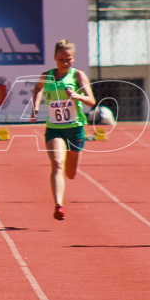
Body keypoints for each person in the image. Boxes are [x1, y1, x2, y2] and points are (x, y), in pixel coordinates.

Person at [29, 40, 96, 222]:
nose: (65, 63)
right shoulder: (47, 76)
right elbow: (37, 89)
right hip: (54, 129)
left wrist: (77, 96)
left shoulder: (78, 76)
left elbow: (91, 101)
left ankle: (62, 193)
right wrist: (35, 107)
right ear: (54, 58)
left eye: (68, 59)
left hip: (74, 129)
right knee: (57, 163)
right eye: (61, 60)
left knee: (71, 173)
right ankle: (59, 205)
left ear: (73, 59)